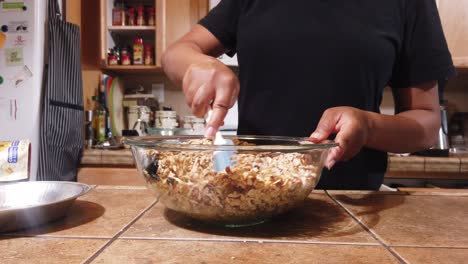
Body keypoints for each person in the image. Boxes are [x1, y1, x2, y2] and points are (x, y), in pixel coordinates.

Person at [161, 0, 456, 190]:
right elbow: (176, 53)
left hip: (348, 202)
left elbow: (427, 122)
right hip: (253, 195)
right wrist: (197, 65)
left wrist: (368, 126)